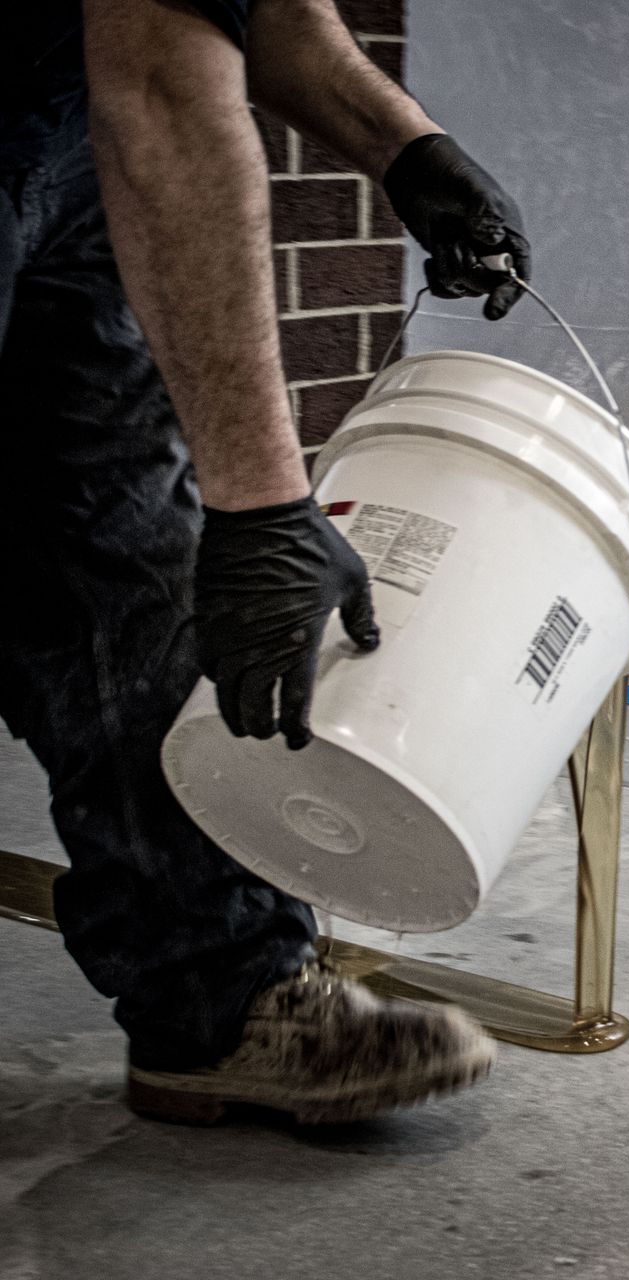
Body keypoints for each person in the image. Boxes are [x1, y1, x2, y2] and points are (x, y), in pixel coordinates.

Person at [2, 0, 532, 1124]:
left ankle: (219, 998)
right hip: (103, 104)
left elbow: (271, 10)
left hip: (60, 136)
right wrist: (262, 509)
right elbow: (158, 82)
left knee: (129, 562)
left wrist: (405, 145)